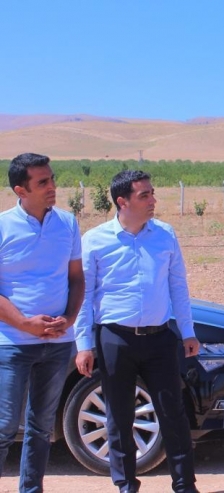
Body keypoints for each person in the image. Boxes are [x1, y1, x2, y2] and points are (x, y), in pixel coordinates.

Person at [74, 170, 200, 493]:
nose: (153, 200)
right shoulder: (95, 240)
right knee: (118, 417)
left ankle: (185, 484)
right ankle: (126, 484)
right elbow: (83, 296)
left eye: (152, 193)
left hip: (160, 339)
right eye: (144, 195)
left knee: (173, 413)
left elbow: (178, 286)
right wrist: (84, 344)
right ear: (122, 201)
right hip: (115, 340)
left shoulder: (165, 235)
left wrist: (187, 331)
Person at [0, 153, 85, 492]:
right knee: (5, 426)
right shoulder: (3, 226)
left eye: (51, 179)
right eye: (43, 182)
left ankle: (31, 489)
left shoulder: (68, 223)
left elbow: (77, 279)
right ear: (21, 189)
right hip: (12, 344)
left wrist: (69, 318)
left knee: (41, 427)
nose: (53, 187)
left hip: (57, 344)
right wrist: (24, 323)